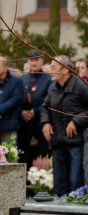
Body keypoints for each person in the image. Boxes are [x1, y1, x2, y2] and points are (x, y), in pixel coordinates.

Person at [41, 56, 88, 197]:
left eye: (53, 67)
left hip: (75, 142)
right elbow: (44, 108)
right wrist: (45, 123)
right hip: (57, 142)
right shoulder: (52, 88)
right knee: (59, 186)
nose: (50, 71)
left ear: (65, 70)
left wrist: (76, 121)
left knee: (75, 182)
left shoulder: (80, 86)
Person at [19, 49, 50, 167]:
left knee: (42, 152)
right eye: (31, 60)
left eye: (36, 60)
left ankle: (41, 178)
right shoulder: (23, 79)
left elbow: (48, 101)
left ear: (41, 61)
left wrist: (35, 111)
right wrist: (22, 112)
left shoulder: (48, 79)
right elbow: (17, 98)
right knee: (23, 152)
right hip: (24, 122)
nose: (33, 63)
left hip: (40, 121)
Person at [0, 55, 22, 146]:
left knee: (10, 156)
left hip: (9, 125)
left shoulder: (16, 82)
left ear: (6, 67)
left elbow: (15, 99)